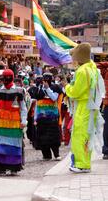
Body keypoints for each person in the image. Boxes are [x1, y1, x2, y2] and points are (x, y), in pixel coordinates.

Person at [66, 43, 105, 173]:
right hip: (91, 106)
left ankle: (81, 164)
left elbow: (76, 92)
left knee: (79, 135)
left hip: (84, 106)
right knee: (87, 135)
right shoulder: (92, 67)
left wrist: (67, 88)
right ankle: (85, 162)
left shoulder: (82, 71)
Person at [0, 69, 27, 176]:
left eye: (9, 77)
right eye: (5, 77)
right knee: (2, 143)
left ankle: (14, 167)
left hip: (15, 122)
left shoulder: (19, 90)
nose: (6, 80)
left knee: (14, 144)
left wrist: (24, 120)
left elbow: (23, 107)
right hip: (2, 122)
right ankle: (1, 167)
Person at [29, 72, 63, 160]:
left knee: (54, 136)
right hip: (41, 117)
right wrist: (35, 117)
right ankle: (46, 155)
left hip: (52, 117)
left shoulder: (55, 87)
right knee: (42, 136)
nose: (46, 81)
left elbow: (54, 98)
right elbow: (37, 103)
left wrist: (48, 89)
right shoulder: (38, 89)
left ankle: (56, 154)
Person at [96, 62, 108, 160]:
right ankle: (106, 151)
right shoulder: (106, 72)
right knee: (107, 128)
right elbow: (97, 65)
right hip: (107, 104)